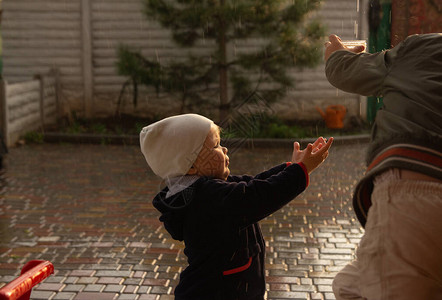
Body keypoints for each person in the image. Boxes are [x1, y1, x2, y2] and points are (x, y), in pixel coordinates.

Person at [139, 113, 333, 300]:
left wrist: (292, 167)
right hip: (217, 294)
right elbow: (257, 195)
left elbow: (254, 183)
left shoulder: (203, 189)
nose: (224, 149)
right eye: (216, 145)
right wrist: (300, 171)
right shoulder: (208, 197)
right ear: (190, 165)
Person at [324, 33, 442, 299]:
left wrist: (336, 53)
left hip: (416, 194)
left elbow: (343, 72)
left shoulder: (425, 47)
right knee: (348, 285)